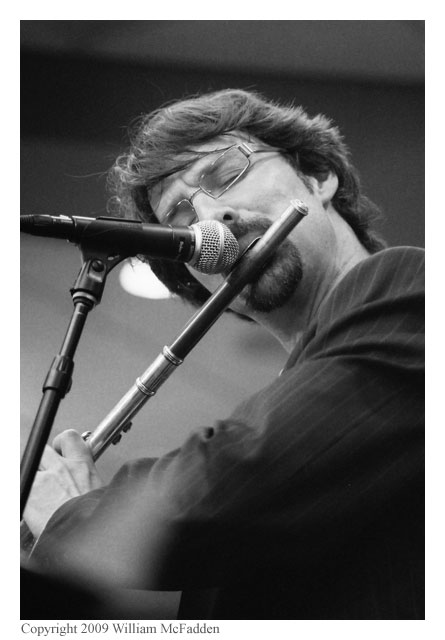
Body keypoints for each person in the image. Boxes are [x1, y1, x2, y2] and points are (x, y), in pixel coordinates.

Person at [22, 89, 424, 619]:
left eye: (227, 174)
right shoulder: (293, 389)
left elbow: (232, 485)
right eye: (180, 214)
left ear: (317, 176)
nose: (213, 218)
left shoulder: (411, 288)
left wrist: (70, 517)